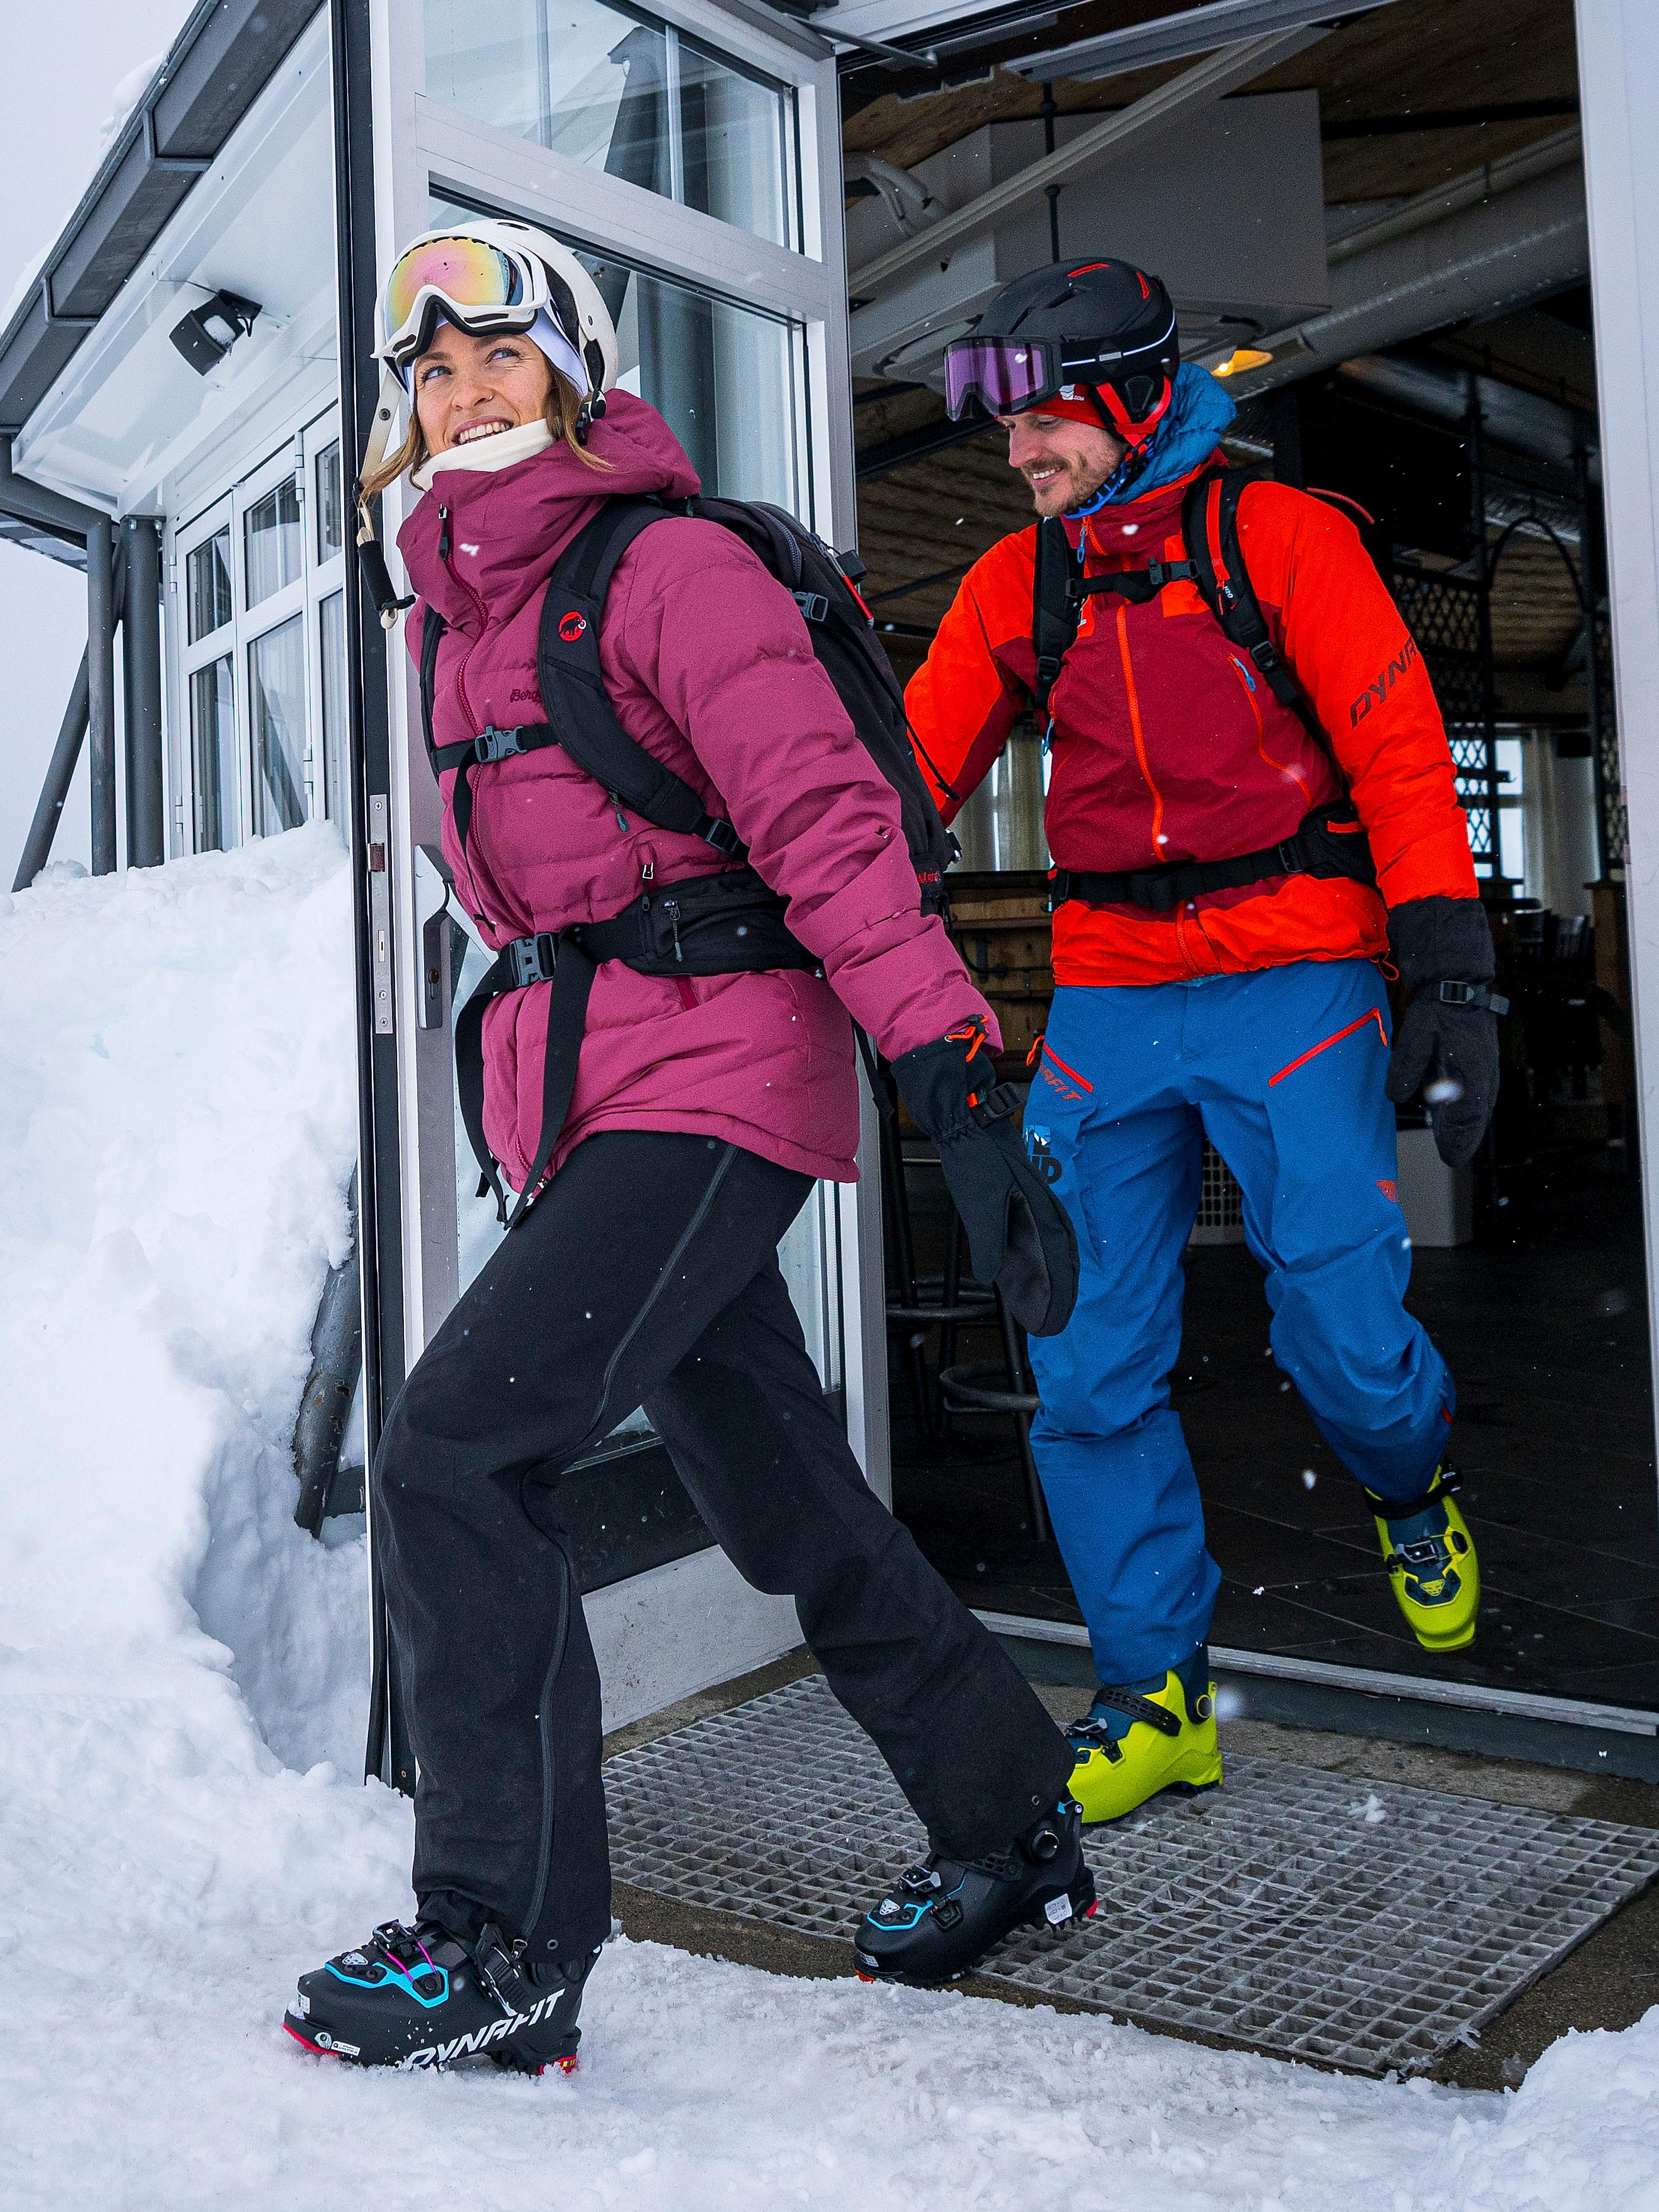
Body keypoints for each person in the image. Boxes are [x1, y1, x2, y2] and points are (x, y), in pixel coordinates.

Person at [285, 220, 1092, 2079]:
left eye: (499, 355)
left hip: (718, 1070)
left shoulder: (666, 567)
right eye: (432, 370)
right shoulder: (450, 613)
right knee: (781, 1491)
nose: (464, 390)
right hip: (605, 1090)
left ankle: (504, 1942)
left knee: (456, 1452)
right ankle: (1011, 1829)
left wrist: (957, 1083)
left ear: (574, 370)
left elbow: (822, 828)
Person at [902, 256, 1501, 1829]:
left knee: (1345, 1328)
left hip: (1299, 971)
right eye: (1012, 434)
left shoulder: (1278, 538)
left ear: (1135, 400)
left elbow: (1396, 743)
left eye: (1047, 429)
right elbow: (909, 775)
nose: (1021, 460)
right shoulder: (1019, 586)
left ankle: (1406, 1480)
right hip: (1111, 990)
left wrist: (1449, 962)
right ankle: (1156, 1694)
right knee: (1083, 1354)